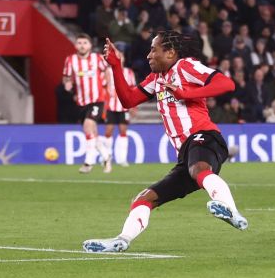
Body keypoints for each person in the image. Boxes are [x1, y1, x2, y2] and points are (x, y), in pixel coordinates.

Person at [82, 31, 248, 253]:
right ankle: (122, 239)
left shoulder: (185, 67)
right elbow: (128, 100)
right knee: (145, 198)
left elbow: (226, 84)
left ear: (170, 53)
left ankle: (231, 211)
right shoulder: (156, 79)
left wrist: (187, 93)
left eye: (154, 49)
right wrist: (115, 66)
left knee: (199, 168)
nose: (149, 55)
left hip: (204, 136)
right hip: (186, 156)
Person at [62, 33, 112, 173]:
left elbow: (107, 70)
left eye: (85, 43)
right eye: (79, 43)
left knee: (88, 125)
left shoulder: (97, 58)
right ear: (75, 45)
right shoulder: (70, 60)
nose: (82, 45)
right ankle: (106, 156)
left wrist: (109, 86)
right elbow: (66, 77)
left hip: (97, 99)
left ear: (90, 45)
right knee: (91, 132)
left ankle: (88, 162)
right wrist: (67, 84)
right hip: (81, 101)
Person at [103, 48, 136, 167]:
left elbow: (133, 89)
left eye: (120, 55)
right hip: (111, 105)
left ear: (124, 58)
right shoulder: (107, 71)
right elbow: (103, 87)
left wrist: (133, 106)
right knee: (108, 131)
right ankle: (107, 157)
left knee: (123, 130)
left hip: (124, 106)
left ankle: (122, 159)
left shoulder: (129, 72)